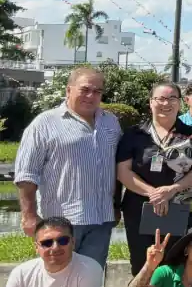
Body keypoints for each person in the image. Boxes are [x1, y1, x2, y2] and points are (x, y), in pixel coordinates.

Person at [117, 81, 192, 287]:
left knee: (176, 263)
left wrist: (171, 190)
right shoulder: (134, 134)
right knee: (141, 262)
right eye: (160, 98)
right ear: (150, 102)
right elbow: (123, 171)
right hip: (140, 208)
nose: (166, 103)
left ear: (180, 103)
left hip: (180, 207)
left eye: (172, 98)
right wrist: (153, 193)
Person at [16, 66, 121, 266]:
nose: (91, 96)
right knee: (58, 282)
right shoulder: (45, 123)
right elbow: (27, 173)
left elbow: (116, 168)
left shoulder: (111, 123)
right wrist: (28, 215)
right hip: (60, 223)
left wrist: (116, 206)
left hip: (101, 220)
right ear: (69, 90)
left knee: (91, 282)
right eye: (85, 89)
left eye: (97, 91)